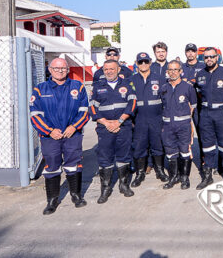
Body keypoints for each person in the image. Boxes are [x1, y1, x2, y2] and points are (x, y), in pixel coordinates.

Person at [29, 58, 89, 215]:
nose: (60, 71)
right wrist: (49, 131)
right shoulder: (40, 89)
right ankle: (52, 200)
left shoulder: (78, 86)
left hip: (72, 134)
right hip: (50, 136)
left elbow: (84, 111)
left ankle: (76, 195)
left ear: (68, 70)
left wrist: (74, 126)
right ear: (50, 70)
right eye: (56, 68)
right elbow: (35, 115)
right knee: (52, 167)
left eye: (63, 68)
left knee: (73, 164)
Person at [90, 60, 137, 203]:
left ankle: (124, 185)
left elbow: (132, 103)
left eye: (112, 69)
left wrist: (119, 121)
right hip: (105, 128)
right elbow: (92, 108)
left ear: (118, 69)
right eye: (106, 69)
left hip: (123, 126)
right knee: (105, 157)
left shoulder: (127, 84)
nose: (109, 72)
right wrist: (105, 123)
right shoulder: (98, 86)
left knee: (124, 156)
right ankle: (105, 188)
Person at [194, 47, 223, 188]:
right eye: (206, 57)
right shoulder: (200, 74)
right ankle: (207, 176)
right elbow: (198, 94)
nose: (209, 59)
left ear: (217, 57)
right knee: (207, 146)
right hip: (205, 113)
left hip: (222, 113)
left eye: (212, 56)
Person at [129, 52, 168, 187]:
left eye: (146, 61)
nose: (144, 64)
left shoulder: (160, 79)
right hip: (139, 119)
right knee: (139, 146)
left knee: (158, 145)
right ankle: (140, 174)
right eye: (141, 62)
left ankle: (160, 171)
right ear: (136, 63)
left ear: (150, 62)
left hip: (156, 118)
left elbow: (165, 100)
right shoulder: (131, 80)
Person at [160, 60, 197, 189]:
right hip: (168, 126)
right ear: (167, 71)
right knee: (170, 152)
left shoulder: (188, 87)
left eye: (175, 69)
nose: (173, 72)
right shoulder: (164, 88)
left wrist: (183, 118)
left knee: (185, 151)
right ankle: (174, 177)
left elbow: (193, 105)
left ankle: (185, 178)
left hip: (183, 126)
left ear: (180, 71)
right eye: (170, 70)